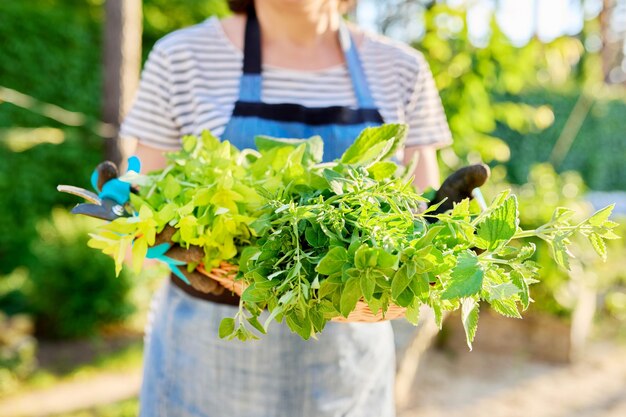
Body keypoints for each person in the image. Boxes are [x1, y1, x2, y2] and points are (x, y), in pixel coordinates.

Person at [119, 0, 452, 416]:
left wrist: (449, 230)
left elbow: (422, 210)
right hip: (209, 358)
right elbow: (142, 188)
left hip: (347, 369)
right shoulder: (182, 57)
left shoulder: (401, 67)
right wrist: (134, 212)